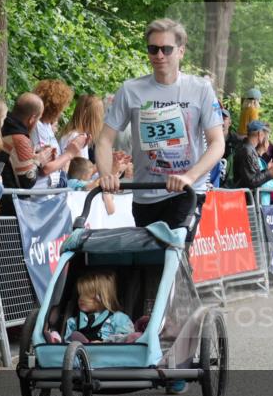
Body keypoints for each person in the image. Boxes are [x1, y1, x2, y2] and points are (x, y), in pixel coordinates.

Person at [96, 18, 224, 239]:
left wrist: (189, 177)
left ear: (181, 52)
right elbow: (104, 140)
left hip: (187, 191)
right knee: (151, 265)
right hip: (145, 193)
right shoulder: (131, 90)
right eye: (153, 49)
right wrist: (107, 175)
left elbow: (217, 142)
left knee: (174, 251)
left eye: (166, 49)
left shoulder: (200, 89)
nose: (159, 55)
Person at [0, 92, 54, 214]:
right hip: (9, 206)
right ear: (32, 118)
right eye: (37, 119)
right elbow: (28, 180)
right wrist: (39, 160)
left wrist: (33, 155)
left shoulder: (2, 127)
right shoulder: (20, 139)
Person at [31, 79, 84, 189]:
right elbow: (46, 168)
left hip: (50, 192)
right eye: (62, 107)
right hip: (39, 197)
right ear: (55, 107)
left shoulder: (47, 126)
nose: (62, 111)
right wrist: (70, 153)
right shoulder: (37, 126)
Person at [63, 270, 137, 344]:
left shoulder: (118, 318)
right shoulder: (73, 322)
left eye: (87, 295)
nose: (81, 298)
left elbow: (127, 340)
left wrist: (104, 343)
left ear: (102, 296)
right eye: (80, 294)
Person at [230, 120, 273, 191]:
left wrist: (268, 170)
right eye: (264, 134)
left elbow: (254, 176)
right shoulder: (247, 151)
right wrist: (270, 173)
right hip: (244, 197)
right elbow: (252, 181)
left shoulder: (246, 148)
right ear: (260, 134)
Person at [59, 93, 103, 162]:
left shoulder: (81, 136)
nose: (100, 119)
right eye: (98, 114)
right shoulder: (76, 137)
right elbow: (78, 171)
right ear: (85, 114)